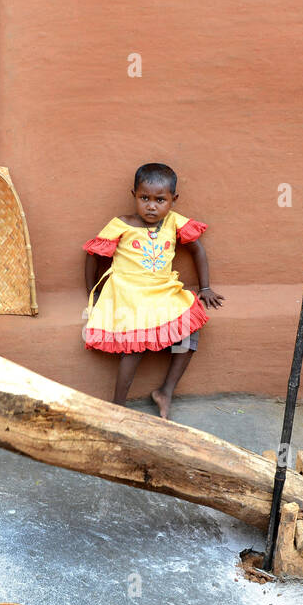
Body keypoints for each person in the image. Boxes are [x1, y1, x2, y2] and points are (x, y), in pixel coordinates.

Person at [84, 163, 224, 419]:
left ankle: (165, 390)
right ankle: (117, 405)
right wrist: (92, 292)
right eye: (144, 198)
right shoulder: (121, 224)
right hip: (129, 293)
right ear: (134, 195)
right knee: (135, 345)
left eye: (160, 200)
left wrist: (205, 287)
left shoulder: (174, 222)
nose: (151, 205)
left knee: (190, 330)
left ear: (173, 200)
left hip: (162, 291)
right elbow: (93, 255)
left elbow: (197, 249)